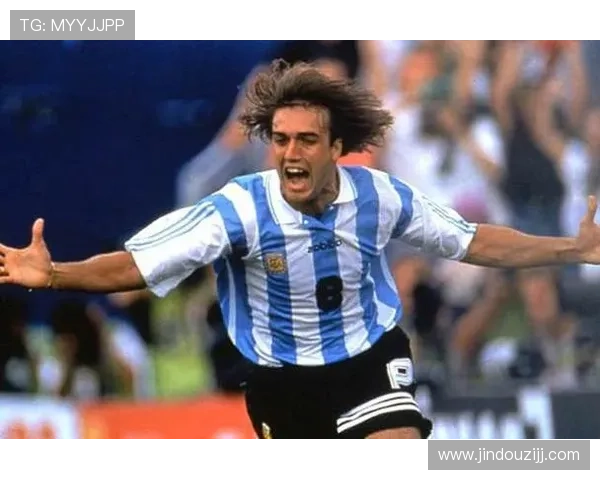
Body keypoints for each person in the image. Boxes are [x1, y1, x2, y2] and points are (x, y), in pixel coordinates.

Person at [2, 59, 600, 440]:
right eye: (281, 139)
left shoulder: (380, 196)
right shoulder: (238, 208)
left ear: (336, 148)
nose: (290, 153)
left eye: (307, 140)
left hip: (368, 361)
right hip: (281, 381)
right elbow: (139, 264)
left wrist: (571, 248)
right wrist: (54, 274)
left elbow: (474, 241)